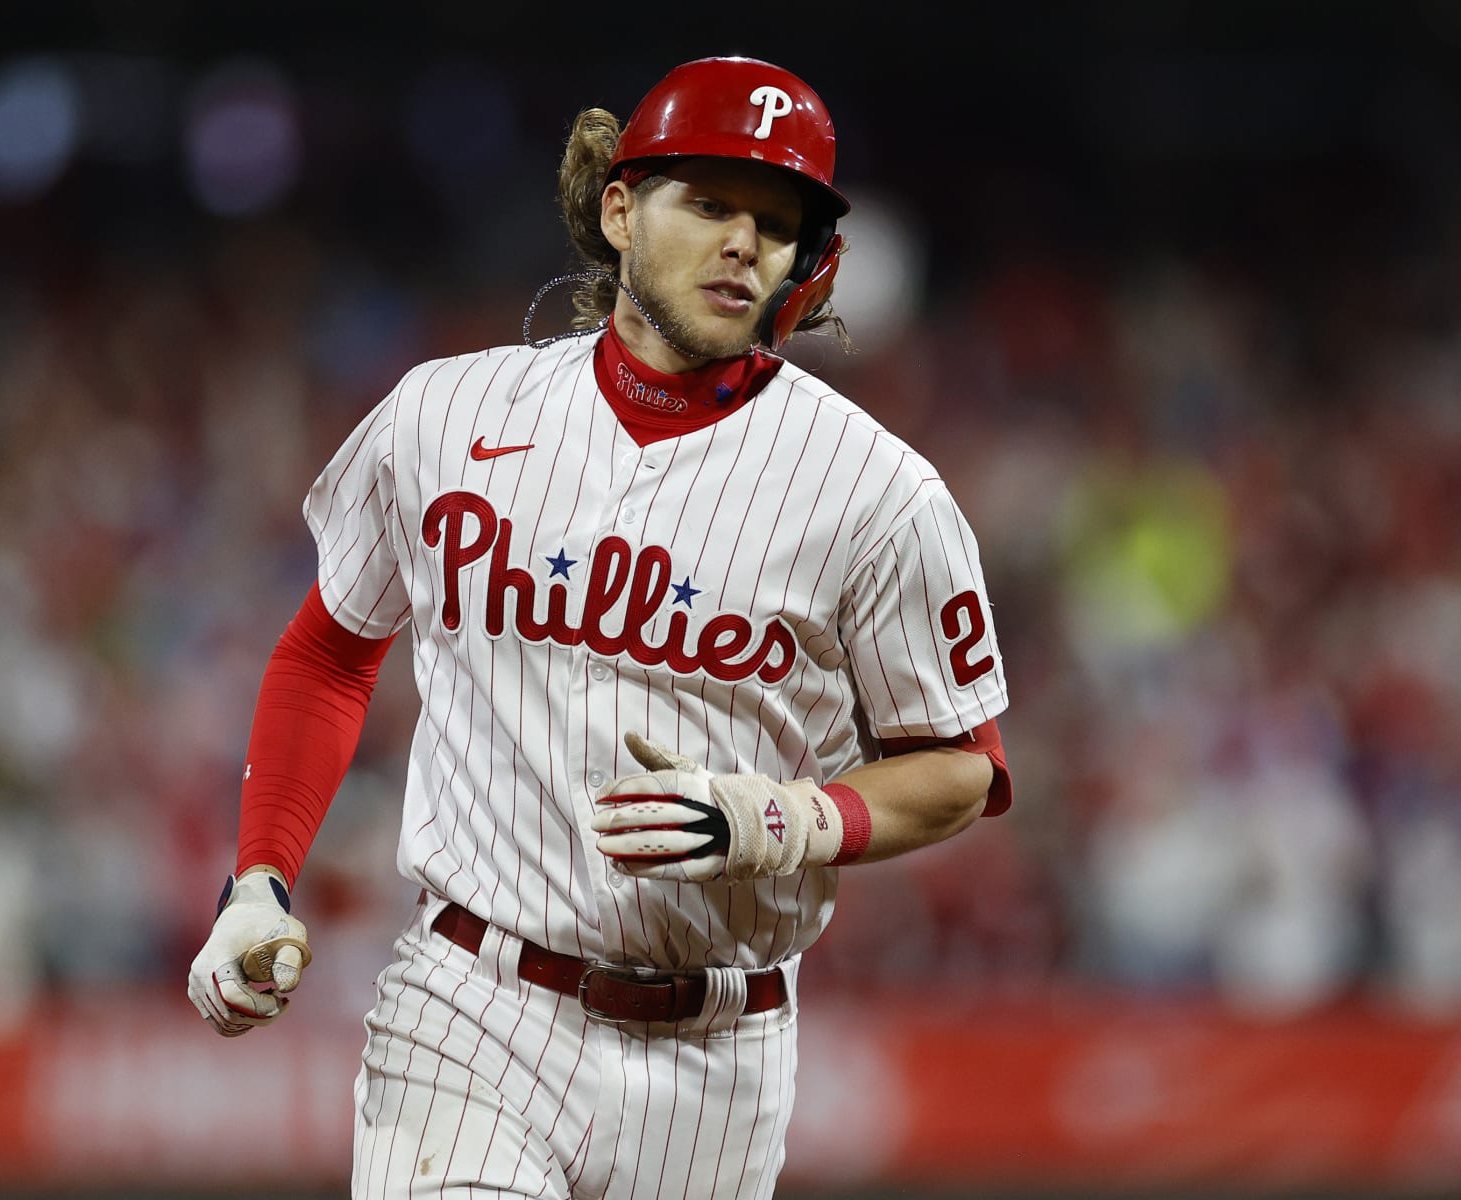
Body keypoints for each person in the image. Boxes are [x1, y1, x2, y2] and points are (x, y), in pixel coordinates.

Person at [188, 54, 1012, 1199]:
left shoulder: (881, 497)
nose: (742, 242)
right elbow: (332, 648)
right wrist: (259, 879)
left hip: (720, 1057)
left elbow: (962, 770)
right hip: (470, 1009)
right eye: (710, 202)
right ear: (620, 210)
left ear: (809, 265)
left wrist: (793, 817)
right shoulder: (448, 412)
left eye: (776, 222)